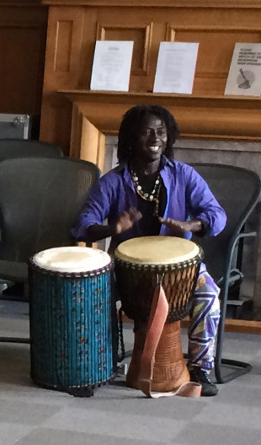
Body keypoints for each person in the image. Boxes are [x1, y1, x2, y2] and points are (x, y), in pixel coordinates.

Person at [72, 104, 226, 397]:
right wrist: (112, 229)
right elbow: (83, 225)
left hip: (180, 267)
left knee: (208, 293)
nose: (156, 138)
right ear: (132, 137)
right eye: (147, 131)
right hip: (127, 269)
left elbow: (217, 214)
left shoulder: (183, 175)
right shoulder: (113, 182)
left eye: (161, 131)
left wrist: (192, 225)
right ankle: (95, 367)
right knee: (92, 294)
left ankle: (199, 368)